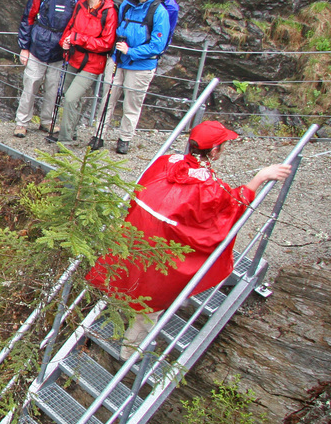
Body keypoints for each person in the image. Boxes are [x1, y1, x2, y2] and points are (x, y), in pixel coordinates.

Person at [86, 121, 292, 358]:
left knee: (129, 278)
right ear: (214, 151)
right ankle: (130, 354)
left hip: (133, 238)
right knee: (150, 300)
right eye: (222, 146)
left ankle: (121, 311)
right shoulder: (210, 187)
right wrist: (260, 177)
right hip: (158, 252)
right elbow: (231, 207)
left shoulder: (167, 162)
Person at [99, 0, 170, 155]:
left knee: (131, 104)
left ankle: (124, 139)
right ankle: (99, 134)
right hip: (118, 60)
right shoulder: (128, 5)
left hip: (140, 66)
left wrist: (131, 51)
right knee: (107, 98)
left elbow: (157, 45)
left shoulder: (159, 13)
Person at [14, 0, 82, 138]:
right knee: (30, 86)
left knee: (53, 88)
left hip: (60, 50)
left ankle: (47, 121)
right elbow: (28, 17)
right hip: (38, 46)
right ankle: (21, 123)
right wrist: (24, 47)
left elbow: (81, 21)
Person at [47, 0, 117, 144]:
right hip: (74, 57)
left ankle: (65, 139)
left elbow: (107, 43)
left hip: (93, 63)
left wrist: (80, 40)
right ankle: (71, 133)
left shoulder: (109, 12)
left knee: (71, 97)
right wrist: (65, 42)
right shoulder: (81, 5)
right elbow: (70, 27)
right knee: (67, 94)